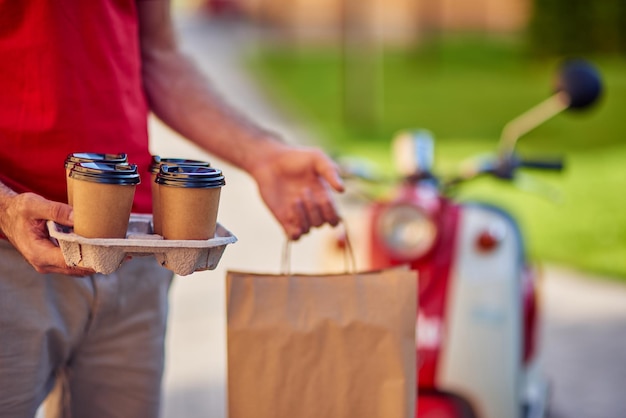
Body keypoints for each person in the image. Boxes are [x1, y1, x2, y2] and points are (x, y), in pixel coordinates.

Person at [0, 1, 344, 417]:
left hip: (131, 249)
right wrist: (5, 208)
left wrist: (263, 154)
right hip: (10, 254)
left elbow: (159, 55)